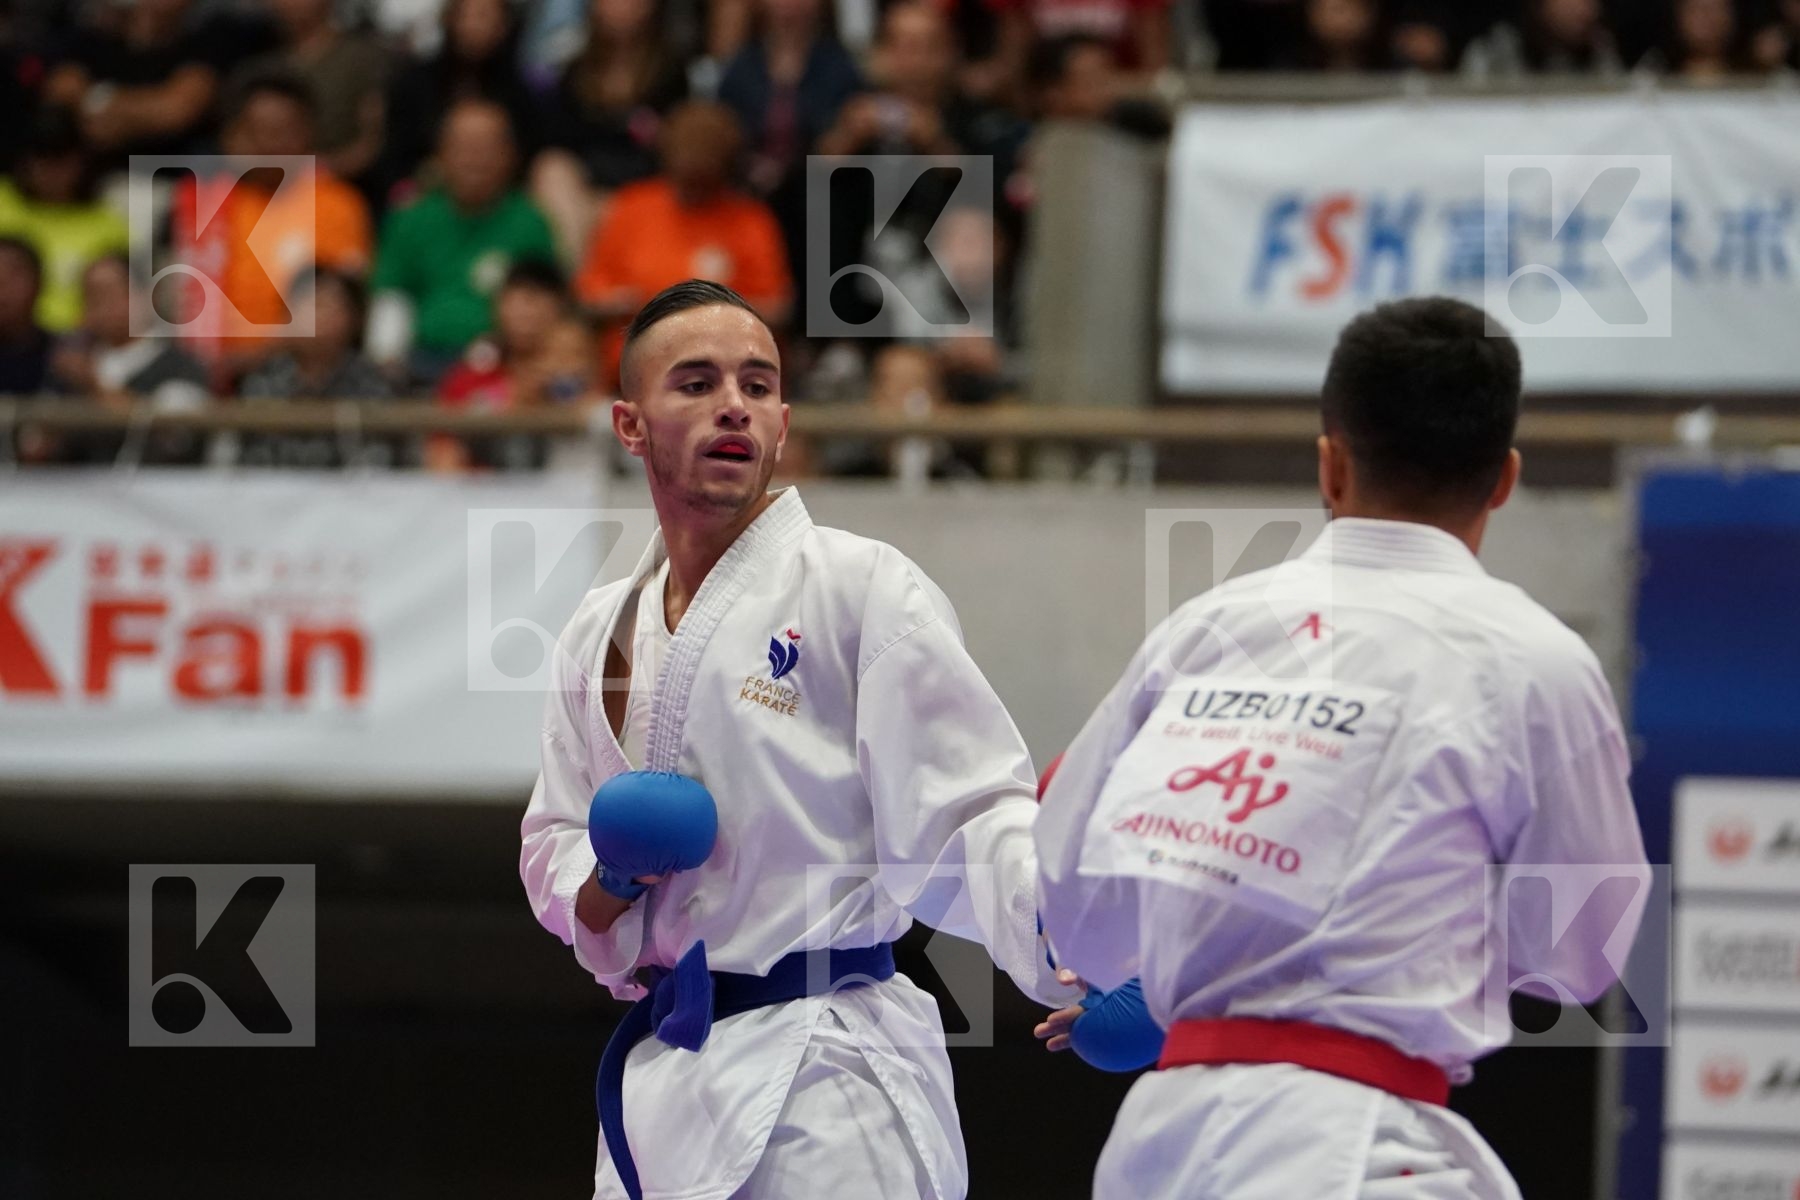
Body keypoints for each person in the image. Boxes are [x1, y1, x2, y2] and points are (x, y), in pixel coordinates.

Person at [1035, 297, 1650, 1199]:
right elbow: (1585, 952)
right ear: (1504, 479)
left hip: (1156, 1149)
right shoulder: (1536, 660)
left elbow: (1078, 916)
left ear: (1330, 462)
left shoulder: (1202, 631)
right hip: (1364, 1151)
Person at [519, 278, 1075, 1200]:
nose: (733, 403)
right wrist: (609, 882)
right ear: (629, 425)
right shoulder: (596, 629)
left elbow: (970, 810)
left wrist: (1075, 944)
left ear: (782, 421)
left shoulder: (861, 588)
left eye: (758, 384)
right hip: (665, 1082)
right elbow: (552, 842)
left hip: (830, 1074)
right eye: (695, 383)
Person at [574, 102, 790, 389]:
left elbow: (777, 307)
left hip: (723, 376)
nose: (694, 158)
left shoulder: (749, 220)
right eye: (687, 146)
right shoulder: (632, 206)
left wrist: (695, 315)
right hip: (630, 376)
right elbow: (590, 297)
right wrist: (639, 305)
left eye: (706, 148)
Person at [366, 97, 559, 386]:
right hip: (420, 363)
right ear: (440, 154)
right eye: (463, 147)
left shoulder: (530, 221)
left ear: (510, 155)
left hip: (505, 366)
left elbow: (547, 302)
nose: (475, 159)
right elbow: (391, 297)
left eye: (487, 148)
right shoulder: (411, 219)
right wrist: (386, 361)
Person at [531, 0, 690, 268]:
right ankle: (578, 279)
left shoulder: (671, 72)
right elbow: (562, 138)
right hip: (587, 185)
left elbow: (674, 143)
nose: (620, 8)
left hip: (646, 183)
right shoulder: (576, 70)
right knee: (551, 168)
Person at [431, 258, 594, 471]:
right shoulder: (470, 377)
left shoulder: (580, 375)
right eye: (511, 301)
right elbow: (442, 454)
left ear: (559, 307)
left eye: (532, 300)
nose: (521, 314)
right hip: (482, 493)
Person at [234, 268, 404, 470]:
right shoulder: (262, 379)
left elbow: (377, 464)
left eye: (329, 306)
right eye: (312, 305)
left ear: (354, 319)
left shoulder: (372, 384)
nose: (319, 318)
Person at [0, 106, 130, 334]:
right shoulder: (3, 201)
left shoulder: (106, 223)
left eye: (61, 158)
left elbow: (119, 299)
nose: (51, 170)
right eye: (42, 157)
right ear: (26, 160)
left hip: (76, 341)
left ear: (80, 162)